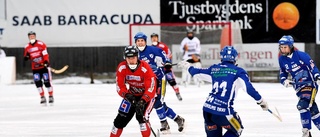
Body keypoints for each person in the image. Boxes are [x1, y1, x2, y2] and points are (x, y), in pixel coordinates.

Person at [178, 46, 269, 137]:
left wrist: (187, 66)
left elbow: (196, 72)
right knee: (238, 129)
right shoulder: (239, 72)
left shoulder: (214, 69)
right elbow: (248, 88)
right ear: (235, 58)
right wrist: (260, 101)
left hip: (207, 109)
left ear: (221, 57)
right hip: (224, 112)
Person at [134, 32, 185, 133]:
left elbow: (164, 57)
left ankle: (164, 124)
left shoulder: (153, 49)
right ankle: (178, 119)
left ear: (145, 41)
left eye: (142, 41)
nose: (140, 43)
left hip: (159, 79)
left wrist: (166, 62)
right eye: (138, 41)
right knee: (158, 104)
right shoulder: (134, 53)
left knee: (158, 102)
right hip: (147, 81)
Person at [110, 46, 157, 137]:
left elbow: (151, 88)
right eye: (129, 58)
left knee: (141, 117)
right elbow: (120, 86)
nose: (131, 60)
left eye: (133, 58)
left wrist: (143, 101)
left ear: (137, 57)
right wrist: (127, 95)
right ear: (125, 58)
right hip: (131, 95)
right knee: (119, 120)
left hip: (147, 97)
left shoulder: (145, 68)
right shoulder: (122, 68)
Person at [278, 35, 320, 137]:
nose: (283, 50)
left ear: (291, 46)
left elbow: (312, 67)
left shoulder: (302, 55)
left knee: (303, 105)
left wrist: (317, 76)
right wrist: (284, 81)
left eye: (285, 47)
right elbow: (282, 74)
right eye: (281, 47)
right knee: (313, 111)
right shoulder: (282, 59)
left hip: (310, 85)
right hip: (299, 88)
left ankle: (306, 132)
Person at [23, 31, 54, 105]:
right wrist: (26, 57)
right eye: (30, 36)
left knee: (47, 82)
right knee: (38, 83)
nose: (32, 37)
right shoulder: (27, 47)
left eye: (33, 36)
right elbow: (26, 56)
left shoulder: (41, 44)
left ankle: (50, 96)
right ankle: (42, 97)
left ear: (35, 36)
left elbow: (45, 54)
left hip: (43, 67)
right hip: (35, 68)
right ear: (28, 37)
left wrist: (46, 61)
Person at [150, 33, 182, 101]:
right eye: (152, 37)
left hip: (166, 68)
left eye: (155, 37)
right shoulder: (150, 48)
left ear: (158, 38)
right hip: (157, 69)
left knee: (172, 80)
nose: (154, 38)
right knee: (158, 83)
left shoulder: (162, 45)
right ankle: (159, 97)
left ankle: (177, 92)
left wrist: (167, 62)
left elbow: (169, 54)